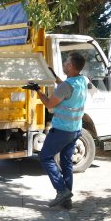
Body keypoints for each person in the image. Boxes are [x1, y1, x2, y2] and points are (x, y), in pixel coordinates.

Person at [22, 52, 87, 209]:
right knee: (66, 163)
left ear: (71, 66)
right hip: (75, 130)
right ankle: (66, 200)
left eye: (66, 62)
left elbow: (50, 104)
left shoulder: (65, 86)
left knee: (45, 157)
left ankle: (61, 190)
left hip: (61, 130)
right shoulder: (82, 81)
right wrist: (55, 77)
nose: (64, 64)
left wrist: (38, 90)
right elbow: (66, 87)